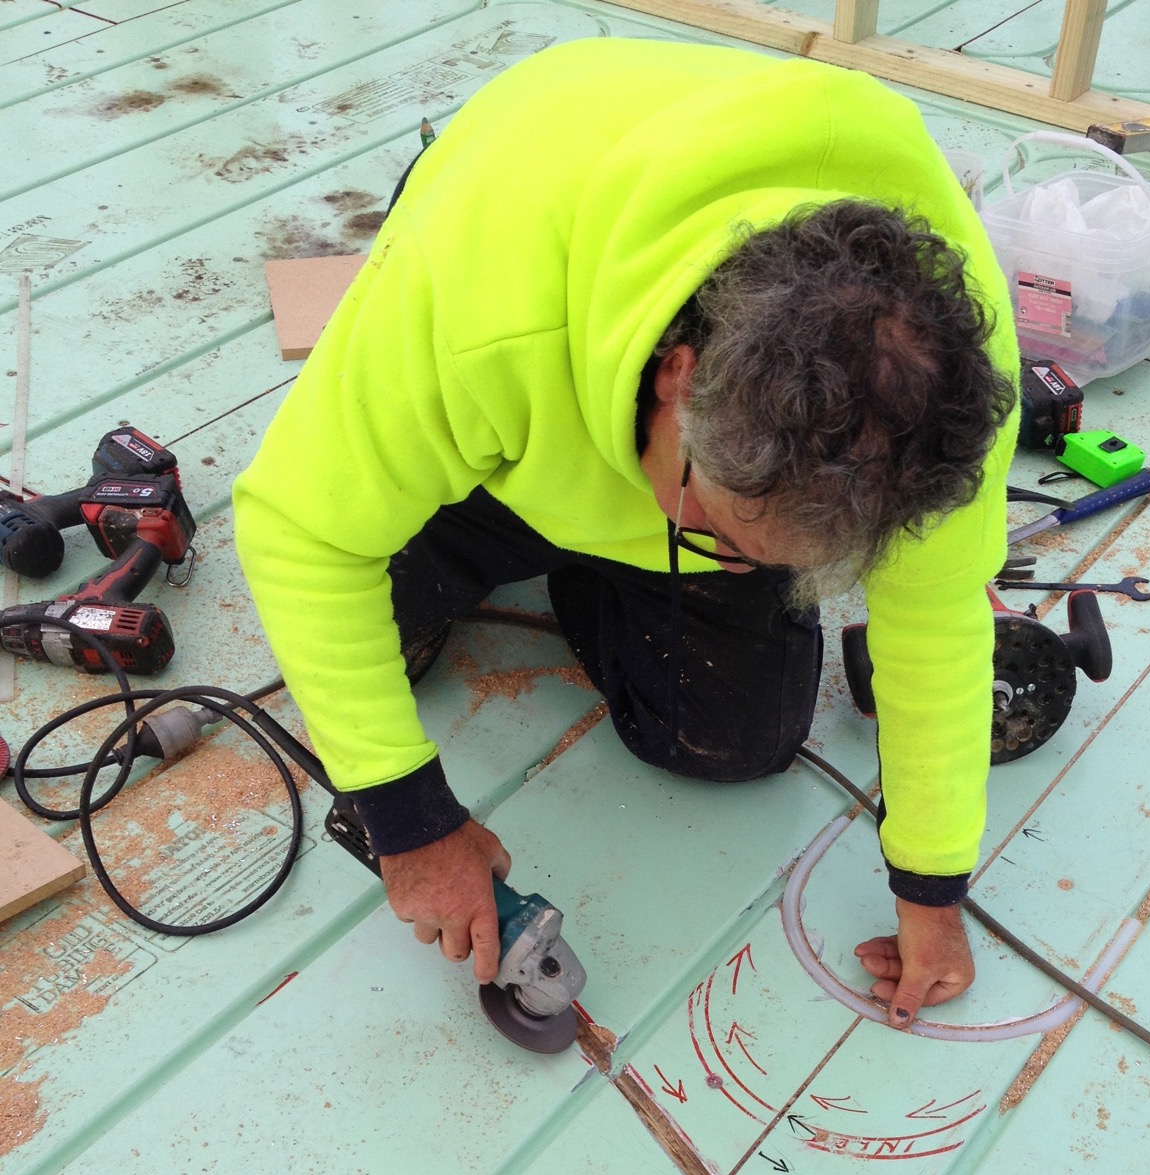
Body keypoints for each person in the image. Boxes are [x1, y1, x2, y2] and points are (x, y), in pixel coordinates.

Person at [234, 38, 1018, 1030]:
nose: (738, 563)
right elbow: (298, 531)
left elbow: (938, 622)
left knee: (732, 742)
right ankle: (525, 522)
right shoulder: (478, 303)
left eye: (779, 559)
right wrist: (408, 819)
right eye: (717, 527)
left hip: (646, 426)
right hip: (532, 301)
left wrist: (933, 888)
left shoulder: (936, 393)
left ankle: (596, 556)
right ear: (680, 379)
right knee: (365, 642)